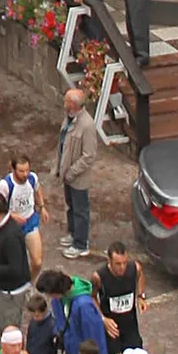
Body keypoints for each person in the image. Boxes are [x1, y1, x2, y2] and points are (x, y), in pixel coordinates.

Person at [55, 90, 101, 260]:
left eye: (67, 100)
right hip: (67, 173)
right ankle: (73, 233)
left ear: (73, 104)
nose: (64, 103)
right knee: (71, 206)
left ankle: (81, 244)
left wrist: (72, 172)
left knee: (81, 210)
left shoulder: (87, 125)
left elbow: (89, 155)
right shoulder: (69, 118)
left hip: (78, 177)